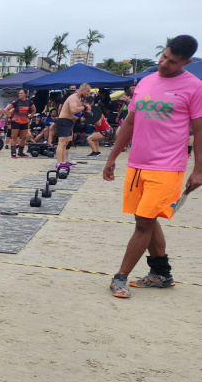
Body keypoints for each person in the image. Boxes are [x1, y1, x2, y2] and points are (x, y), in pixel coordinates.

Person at [103, 34, 202, 299]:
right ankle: (161, 273)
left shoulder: (194, 87)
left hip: (168, 167)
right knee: (145, 217)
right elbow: (130, 124)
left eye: (172, 61)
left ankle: (120, 277)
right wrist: (112, 157)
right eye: (164, 56)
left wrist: (199, 169)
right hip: (137, 164)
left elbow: (199, 130)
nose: (164, 64)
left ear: (186, 62)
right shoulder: (146, 81)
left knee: (144, 223)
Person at [55, 83, 91, 168]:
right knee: (62, 143)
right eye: (87, 91)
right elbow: (73, 109)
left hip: (69, 121)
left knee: (66, 142)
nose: (88, 93)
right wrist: (84, 107)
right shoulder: (74, 98)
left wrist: (85, 109)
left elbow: (77, 111)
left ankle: (64, 162)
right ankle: (59, 163)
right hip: (63, 121)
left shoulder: (78, 99)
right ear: (82, 90)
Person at [9, 89, 35, 158]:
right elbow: (7, 110)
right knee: (14, 137)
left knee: (23, 137)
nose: (20, 94)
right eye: (19, 93)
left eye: (22, 93)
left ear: (25, 94)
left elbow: (34, 110)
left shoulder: (29, 102)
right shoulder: (16, 102)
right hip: (16, 122)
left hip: (24, 122)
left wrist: (30, 117)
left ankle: (20, 152)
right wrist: (11, 117)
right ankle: (13, 153)